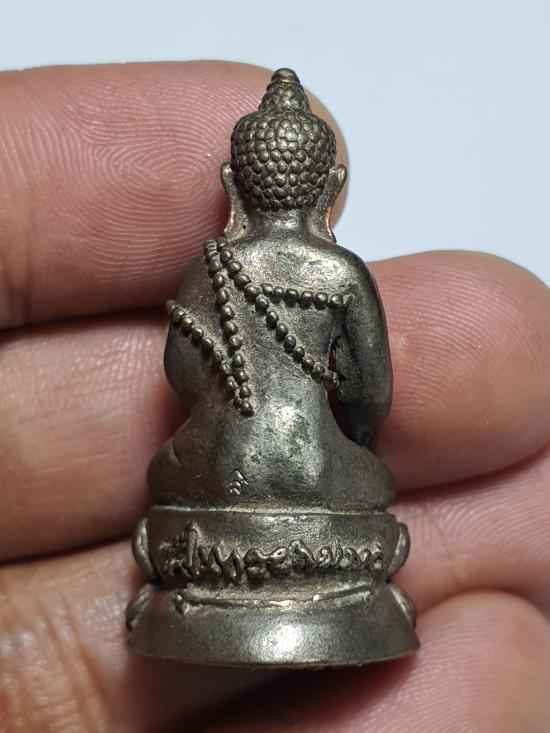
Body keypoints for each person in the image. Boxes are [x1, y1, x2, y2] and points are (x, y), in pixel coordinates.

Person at [0, 60, 549, 732]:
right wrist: (357, 442)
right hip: (318, 469)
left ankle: (189, 591)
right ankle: (351, 590)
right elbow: (371, 392)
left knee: (170, 477)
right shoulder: (341, 273)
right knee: (369, 482)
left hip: (215, 472)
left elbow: (181, 373)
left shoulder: (211, 268)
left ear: (235, 187)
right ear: (331, 190)